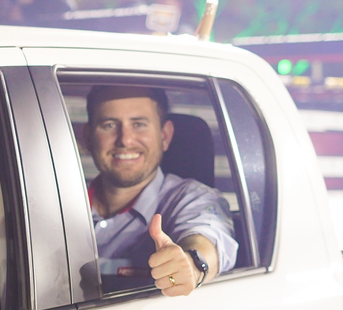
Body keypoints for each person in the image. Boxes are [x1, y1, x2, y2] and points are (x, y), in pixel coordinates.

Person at [84, 84, 237, 296]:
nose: (125, 140)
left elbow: (208, 235)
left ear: (164, 136)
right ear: (88, 137)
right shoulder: (56, 205)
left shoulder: (192, 198)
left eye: (139, 124)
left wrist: (191, 264)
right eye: (109, 125)